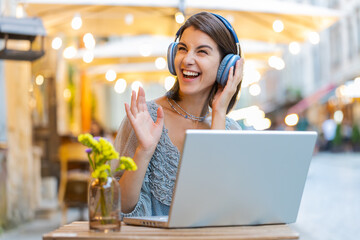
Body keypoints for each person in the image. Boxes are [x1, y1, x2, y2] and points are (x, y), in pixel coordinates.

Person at [112, 12, 244, 217]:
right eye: (182, 49)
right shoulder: (144, 117)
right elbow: (118, 207)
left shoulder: (231, 130)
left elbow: (219, 206)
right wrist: (144, 151)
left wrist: (219, 112)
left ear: (226, 67)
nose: (187, 59)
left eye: (202, 52)